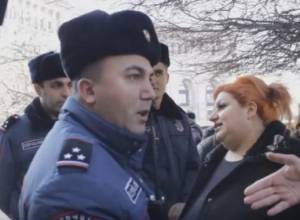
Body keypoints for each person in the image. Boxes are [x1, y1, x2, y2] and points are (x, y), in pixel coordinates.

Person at [19, 9, 161, 220]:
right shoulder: (73, 187)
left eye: (149, 78)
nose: (150, 92)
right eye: (134, 76)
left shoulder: (104, 141)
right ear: (88, 91)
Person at [179, 75, 300, 220]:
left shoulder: (291, 158)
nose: (212, 117)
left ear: (250, 109)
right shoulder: (209, 156)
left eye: (222, 106)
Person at [0, 51, 71, 220]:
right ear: (38, 88)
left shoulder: (84, 128)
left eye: (70, 85)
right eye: (57, 85)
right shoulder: (15, 134)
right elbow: (2, 193)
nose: (66, 93)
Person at [142, 42, 200, 219]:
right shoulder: (131, 118)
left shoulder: (180, 119)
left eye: (158, 73)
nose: (153, 80)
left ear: (167, 77)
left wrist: (184, 204)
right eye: (147, 74)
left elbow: (193, 166)